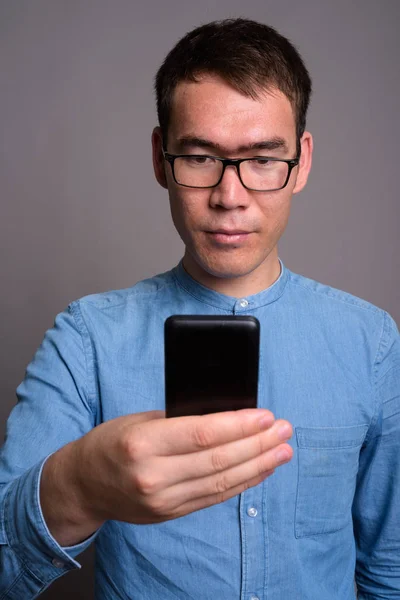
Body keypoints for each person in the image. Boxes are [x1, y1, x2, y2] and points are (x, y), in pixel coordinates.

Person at [0, 17, 399, 600]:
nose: (229, 197)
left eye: (263, 159)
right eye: (200, 157)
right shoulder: (86, 339)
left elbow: (390, 572)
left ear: (302, 162)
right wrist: (80, 485)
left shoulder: (373, 343)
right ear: (161, 159)